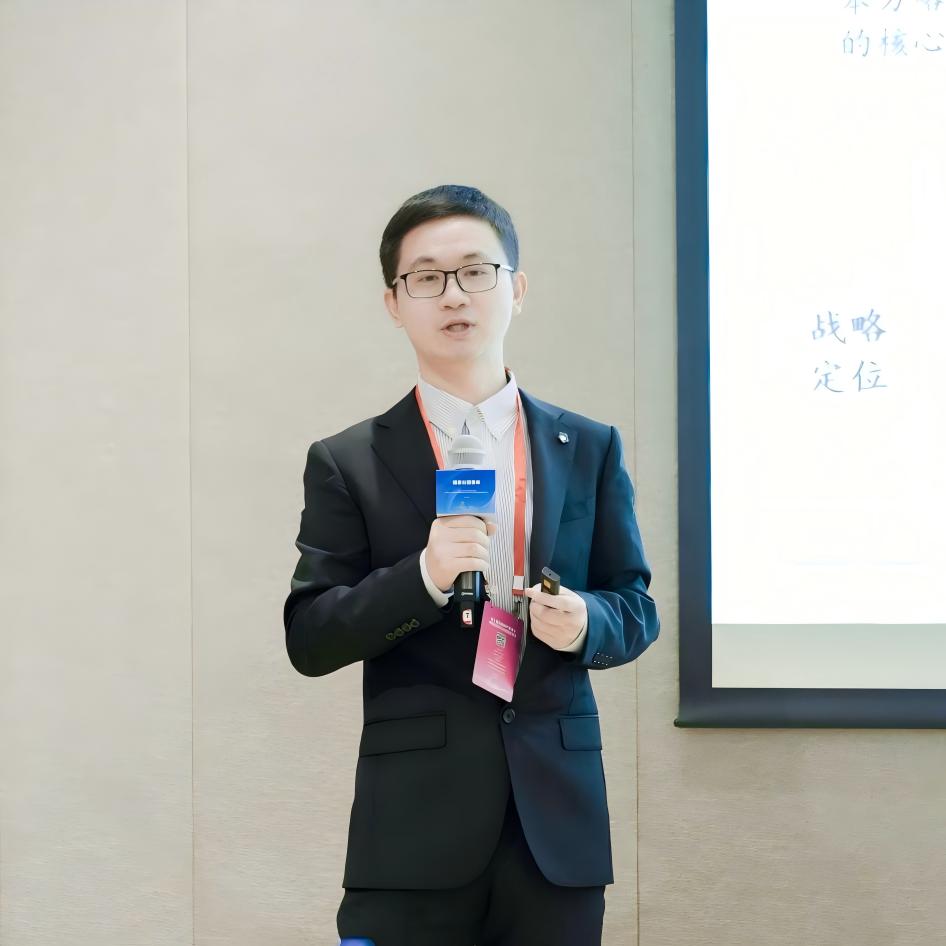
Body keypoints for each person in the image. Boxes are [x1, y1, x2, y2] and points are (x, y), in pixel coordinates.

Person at [283, 184, 660, 946]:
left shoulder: (588, 447)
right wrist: (422, 577)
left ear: (516, 289)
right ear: (394, 303)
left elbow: (635, 605)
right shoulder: (348, 461)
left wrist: (586, 622)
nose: (454, 295)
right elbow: (311, 635)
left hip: (556, 832)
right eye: (426, 277)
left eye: (476, 271)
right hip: (411, 835)